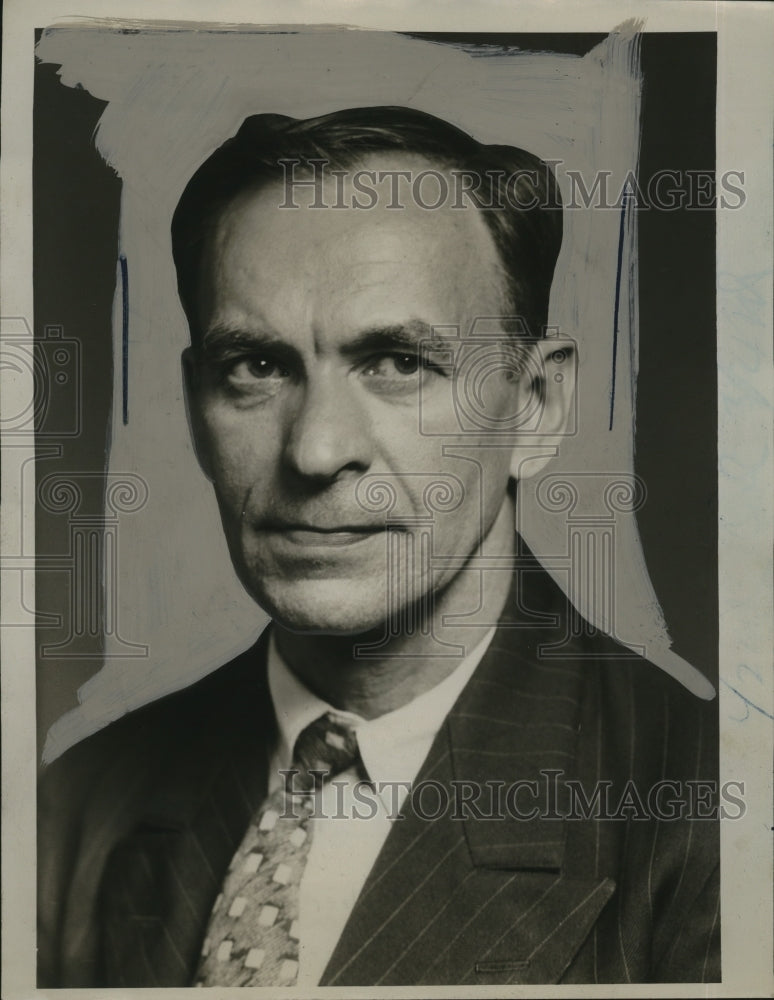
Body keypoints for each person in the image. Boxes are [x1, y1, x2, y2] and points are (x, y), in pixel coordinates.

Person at [37, 107, 719, 987]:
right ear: (195, 407)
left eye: (397, 363)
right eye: (256, 367)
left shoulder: (714, 823)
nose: (316, 450)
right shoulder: (74, 805)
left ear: (537, 404)